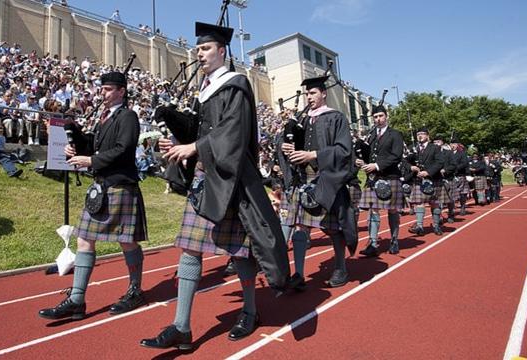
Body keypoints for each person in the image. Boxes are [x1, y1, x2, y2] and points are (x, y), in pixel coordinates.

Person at [140, 22, 290, 350]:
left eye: (205, 49)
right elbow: (197, 127)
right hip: (205, 178)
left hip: (231, 178)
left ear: (222, 51)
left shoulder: (236, 84)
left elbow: (233, 132)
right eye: (197, 49)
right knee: (190, 247)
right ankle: (182, 326)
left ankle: (250, 311)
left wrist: (194, 148)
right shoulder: (206, 88)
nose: (199, 53)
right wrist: (171, 119)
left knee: (239, 251)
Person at [38, 71, 148, 321]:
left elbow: (124, 148)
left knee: (126, 241)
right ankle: (77, 299)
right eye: (102, 89)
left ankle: (135, 290)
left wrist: (91, 160)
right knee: (84, 239)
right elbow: (93, 145)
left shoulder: (128, 116)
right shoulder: (104, 119)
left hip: (121, 186)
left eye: (108, 89)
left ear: (121, 91)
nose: (103, 93)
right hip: (101, 187)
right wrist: (75, 137)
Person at [280, 75, 358, 288]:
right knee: (300, 226)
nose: (309, 97)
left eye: (312, 92)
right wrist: (289, 149)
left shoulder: (336, 117)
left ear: (324, 93)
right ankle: (298, 274)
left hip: (327, 179)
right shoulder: (303, 120)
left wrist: (313, 155)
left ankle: (341, 268)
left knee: (333, 229)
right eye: (306, 93)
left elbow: (344, 151)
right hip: (303, 179)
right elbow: (293, 145)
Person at [357, 105, 405, 256]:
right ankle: (372, 243)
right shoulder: (371, 136)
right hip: (374, 178)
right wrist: (361, 161)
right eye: (375, 117)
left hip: (390, 176)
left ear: (386, 116)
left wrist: (376, 166)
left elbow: (396, 156)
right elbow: (369, 156)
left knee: (392, 210)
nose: (378, 119)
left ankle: (394, 240)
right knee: (373, 210)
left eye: (380, 116)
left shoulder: (395, 134)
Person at [406, 128, 446, 236]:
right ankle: (419, 226)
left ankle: (436, 225)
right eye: (418, 134)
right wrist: (411, 167)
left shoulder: (435, 148)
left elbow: (440, 162)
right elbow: (404, 160)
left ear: (428, 136)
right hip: (418, 180)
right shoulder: (412, 148)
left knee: (435, 203)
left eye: (422, 134)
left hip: (434, 179)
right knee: (419, 203)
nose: (420, 136)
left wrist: (428, 172)